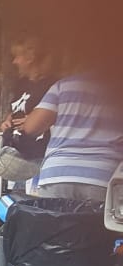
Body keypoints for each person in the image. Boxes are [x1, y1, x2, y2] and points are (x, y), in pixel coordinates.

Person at [16, 64, 123, 202]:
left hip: (58, 173)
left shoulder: (63, 86)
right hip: (104, 175)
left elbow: (31, 128)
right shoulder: (118, 89)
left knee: (53, 216)